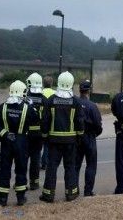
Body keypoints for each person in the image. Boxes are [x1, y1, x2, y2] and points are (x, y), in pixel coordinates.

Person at [39, 71, 84, 203]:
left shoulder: (51, 100)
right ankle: (71, 193)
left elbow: (45, 120)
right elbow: (80, 121)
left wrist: (45, 136)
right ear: (71, 84)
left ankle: (48, 195)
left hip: (53, 141)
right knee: (70, 166)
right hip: (71, 141)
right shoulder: (75, 101)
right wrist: (79, 136)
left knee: (52, 167)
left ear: (58, 82)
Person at [0, 80, 36, 206]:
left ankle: (2, 198)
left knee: (5, 170)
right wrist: (32, 106)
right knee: (21, 170)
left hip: (7, 141)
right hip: (21, 141)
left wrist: (4, 134)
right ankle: (20, 197)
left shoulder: (2, 107)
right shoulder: (27, 108)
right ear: (23, 92)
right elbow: (35, 120)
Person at [75, 80, 102, 197]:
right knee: (91, 165)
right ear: (88, 91)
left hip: (76, 137)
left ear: (80, 90)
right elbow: (98, 125)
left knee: (75, 165)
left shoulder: (74, 103)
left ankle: (73, 190)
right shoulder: (92, 106)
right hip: (89, 137)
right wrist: (94, 135)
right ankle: (88, 191)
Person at [25, 72, 47, 190]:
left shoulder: (25, 98)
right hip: (39, 135)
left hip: (26, 134)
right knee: (36, 158)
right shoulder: (44, 99)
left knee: (23, 158)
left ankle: (21, 183)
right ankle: (34, 183)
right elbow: (47, 117)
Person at [40, 75, 55, 170]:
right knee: (47, 145)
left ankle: (37, 161)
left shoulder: (40, 93)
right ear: (52, 83)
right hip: (50, 123)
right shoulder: (55, 93)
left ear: (43, 83)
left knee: (38, 145)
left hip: (38, 122)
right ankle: (44, 162)